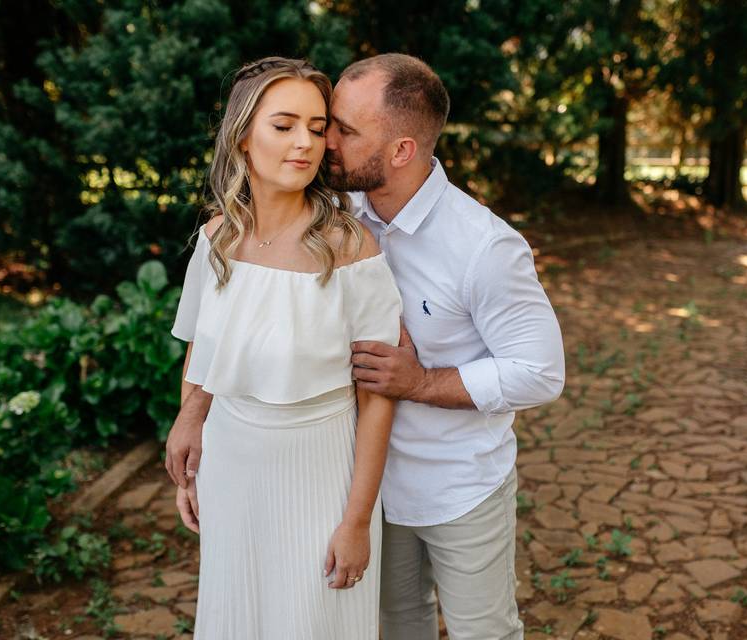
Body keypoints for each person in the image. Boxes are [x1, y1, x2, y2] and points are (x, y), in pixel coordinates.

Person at [325, 54, 566, 640]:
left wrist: (421, 382)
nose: (325, 139)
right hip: (368, 488)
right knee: (398, 629)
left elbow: (541, 372)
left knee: (483, 633)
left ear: (402, 151)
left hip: (460, 486)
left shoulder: (483, 247)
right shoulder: (336, 217)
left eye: (346, 130)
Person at [165, 56, 402, 639]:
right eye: (284, 125)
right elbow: (202, 343)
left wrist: (357, 522)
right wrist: (189, 422)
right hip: (231, 460)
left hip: (319, 467)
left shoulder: (350, 246)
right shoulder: (215, 238)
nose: (305, 143)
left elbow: (377, 397)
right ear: (243, 136)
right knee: (237, 616)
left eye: (317, 128)